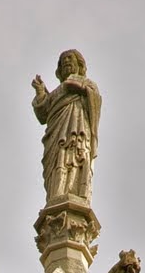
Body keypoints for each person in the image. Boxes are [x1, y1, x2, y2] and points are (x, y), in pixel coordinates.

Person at [31, 49, 102, 205]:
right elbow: (43, 114)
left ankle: (76, 192)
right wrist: (41, 92)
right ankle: (56, 194)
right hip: (56, 134)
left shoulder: (87, 84)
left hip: (76, 129)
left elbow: (96, 100)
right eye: (63, 61)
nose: (67, 62)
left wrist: (80, 89)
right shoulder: (57, 92)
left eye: (70, 58)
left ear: (79, 64)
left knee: (75, 157)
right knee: (58, 161)